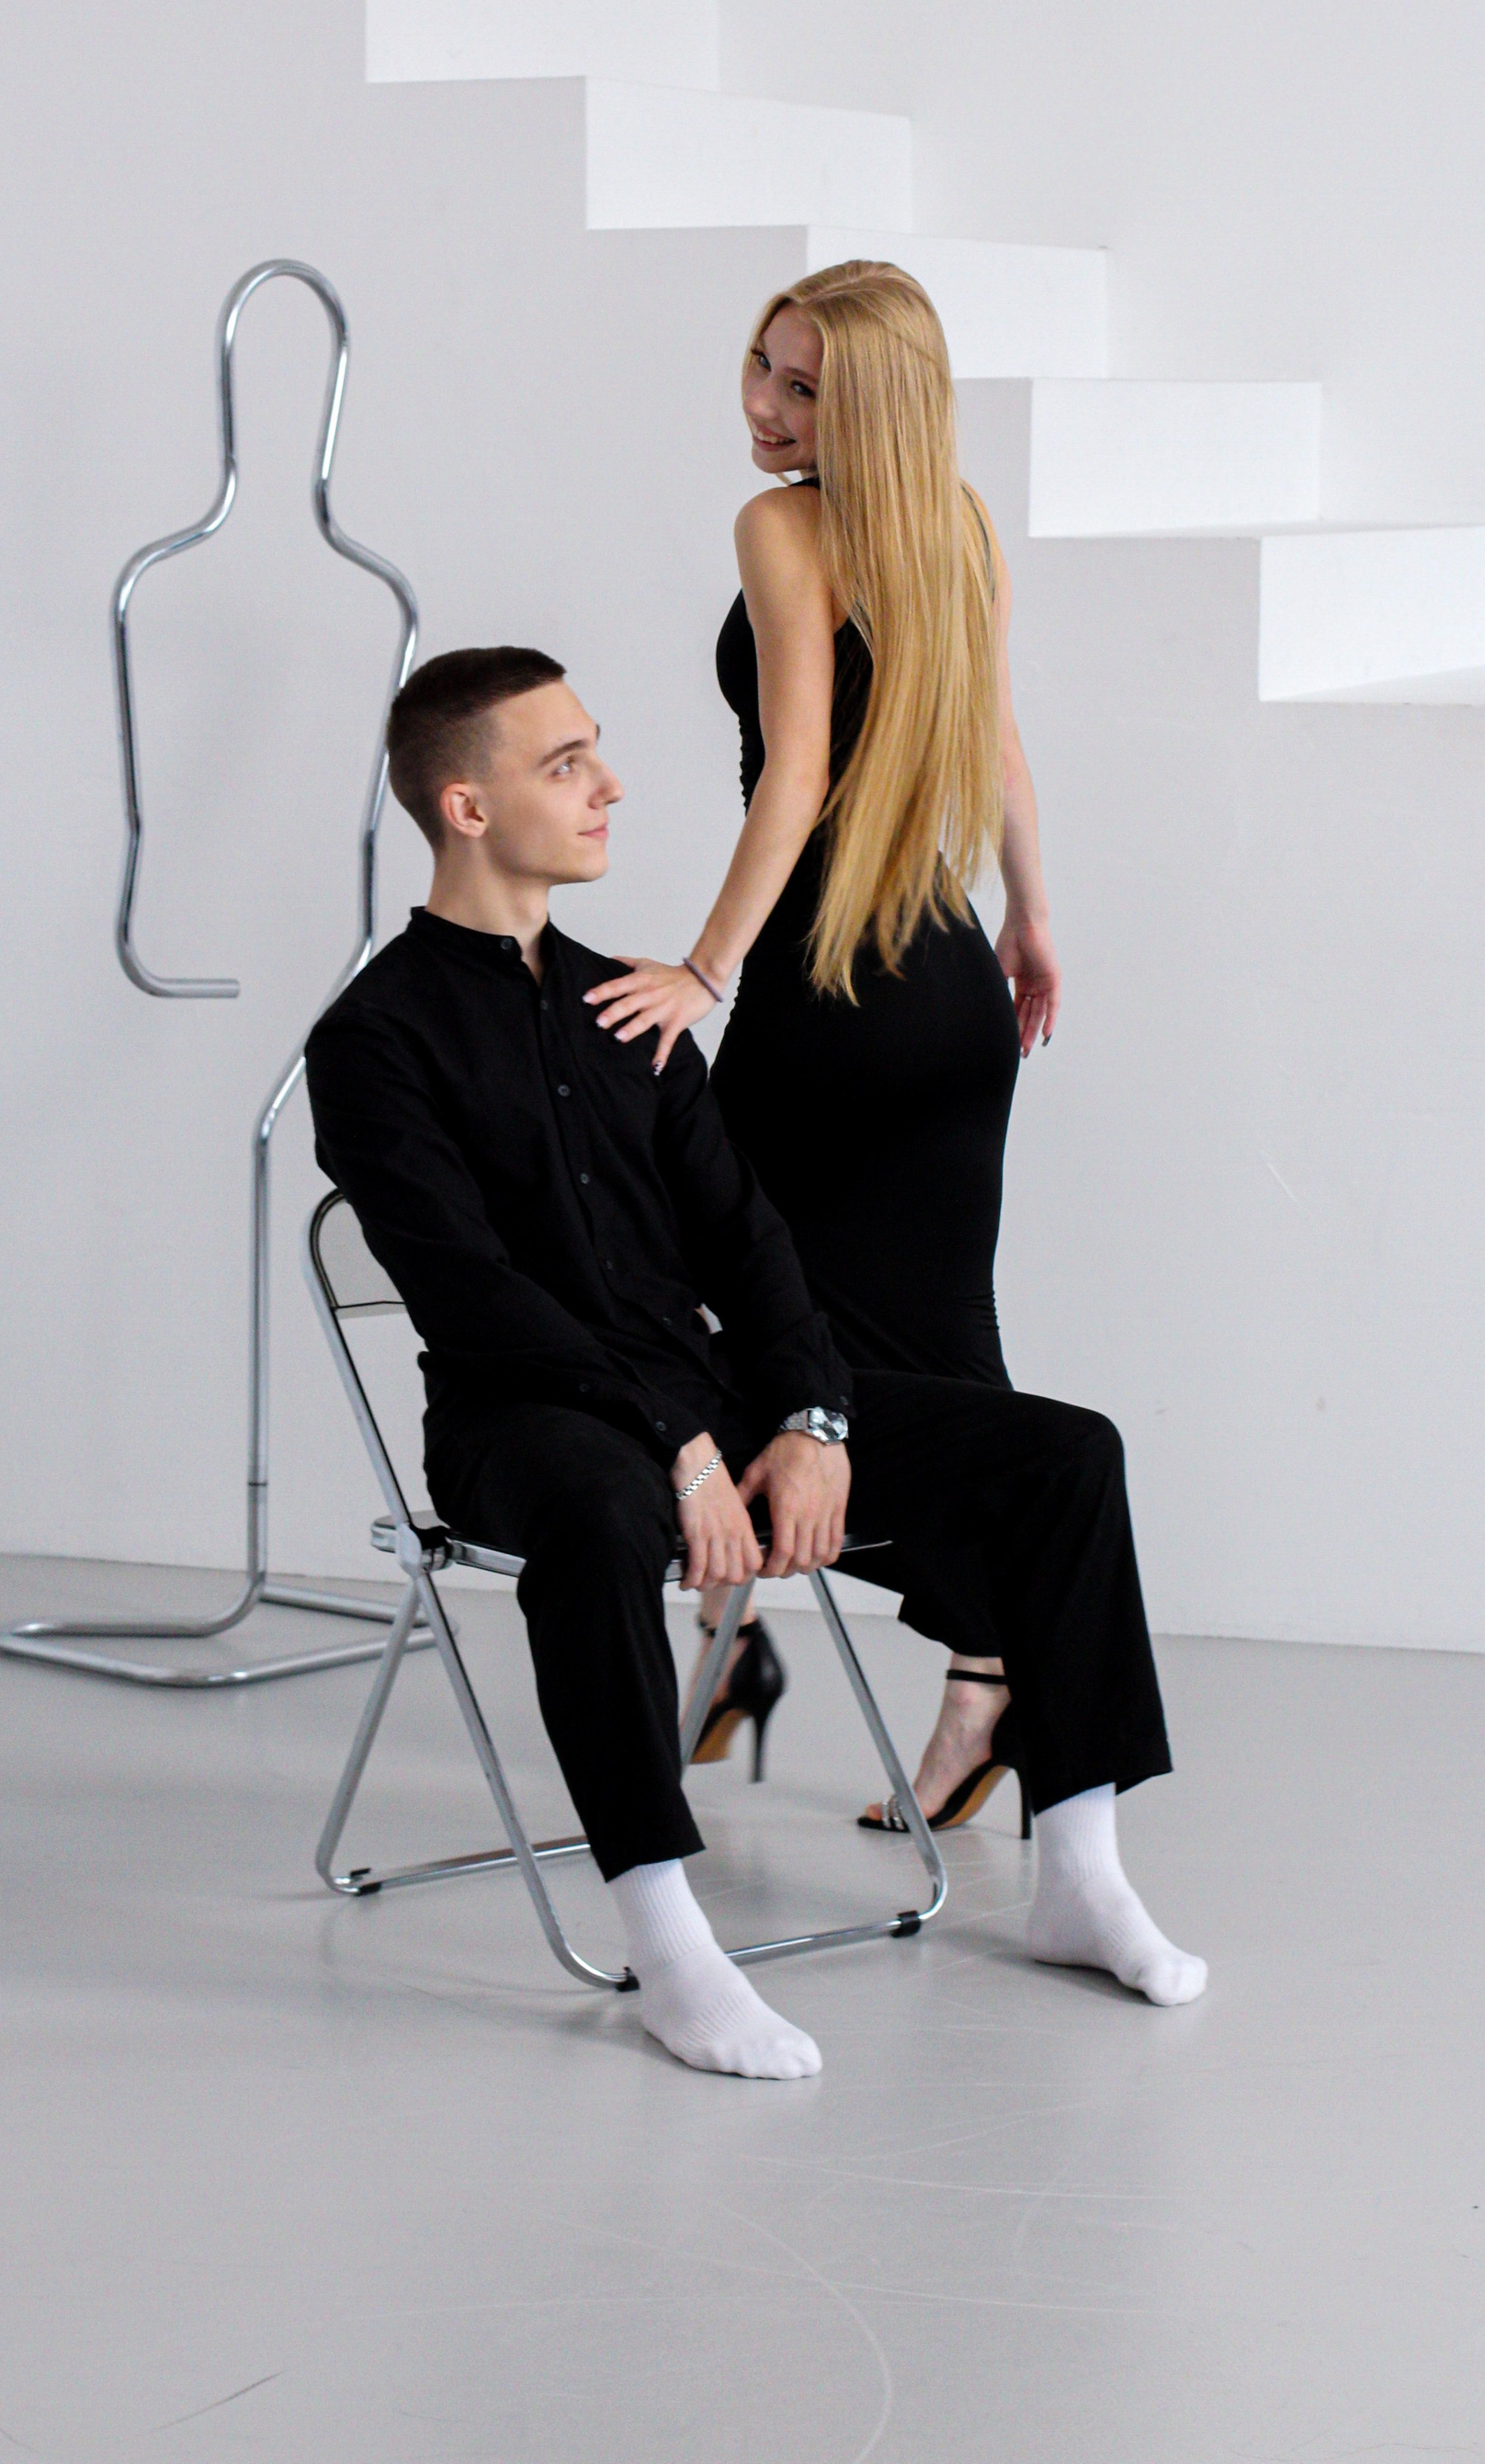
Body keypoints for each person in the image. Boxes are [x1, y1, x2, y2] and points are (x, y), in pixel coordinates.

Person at [303, 644, 1206, 2083]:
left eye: (596, 752)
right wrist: (681, 1445)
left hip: (716, 1407)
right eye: (565, 765)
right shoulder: (372, 1039)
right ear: (466, 808)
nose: (609, 786)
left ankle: (1079, 1877)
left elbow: (751, 1246)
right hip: (522, 1421)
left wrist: (811, 1417)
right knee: (597, 1516)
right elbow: (471, 1296)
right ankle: (669, 1945)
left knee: (1064, 1455)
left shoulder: (634, 1010)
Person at [584, 260, 1057, 1831]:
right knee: (938, 1350)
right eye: (764, 368)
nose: (768, 408)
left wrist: (703, 969)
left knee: (717, 1303)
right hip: (952, 993)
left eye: (806, 389)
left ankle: (739, 1641)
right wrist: (1030, 918)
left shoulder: (782, 531)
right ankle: (957, 1678)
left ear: (875, 411)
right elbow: (1000, 746)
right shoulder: (955, 524)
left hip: (827, 989)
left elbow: (794, 772)